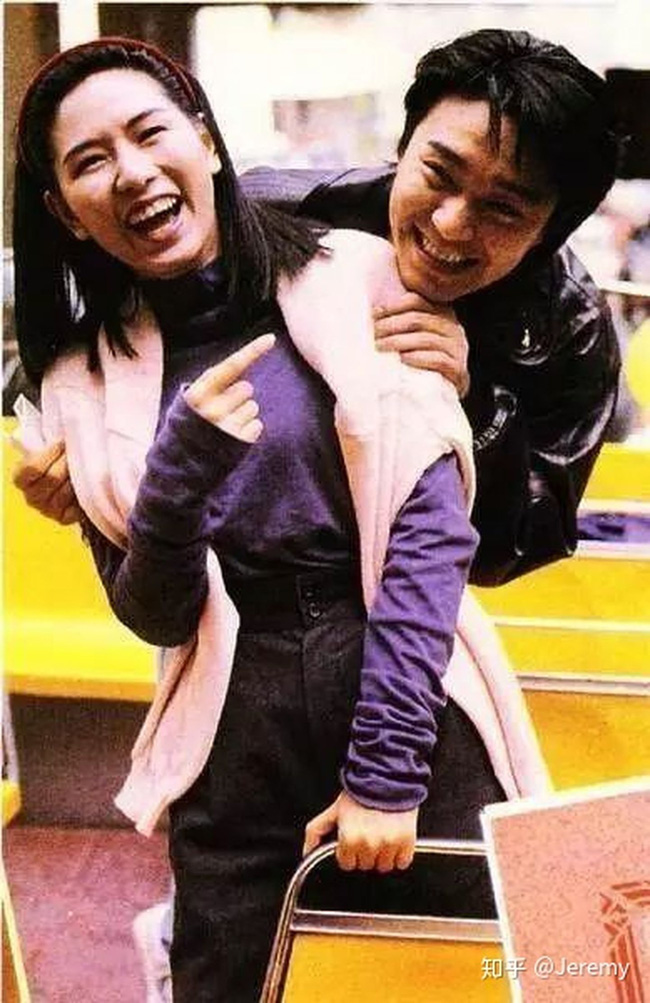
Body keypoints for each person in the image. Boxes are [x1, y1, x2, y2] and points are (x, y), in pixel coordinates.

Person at [13, 36, 547, 1003]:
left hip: (406, 689)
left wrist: (387, 772)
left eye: (150, 133)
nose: (130, 172)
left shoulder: (358, 275)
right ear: (63, 210)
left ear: (206, 141)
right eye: (90, 160)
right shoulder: (74, 384)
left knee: (458, 977)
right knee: (228, 978)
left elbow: (430, 538)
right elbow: (156, 614)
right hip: (231, 734)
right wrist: (178, 477)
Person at [14, 29, 622, 591]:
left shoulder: (571, 325)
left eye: (502, 209)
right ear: (402, 148)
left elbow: (515, 548)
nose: (449, 223)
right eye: (439, 173)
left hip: (429, 614)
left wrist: (478, 405)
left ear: (550, 230)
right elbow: (106, 316)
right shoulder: (282, 215)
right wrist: (73, 457)